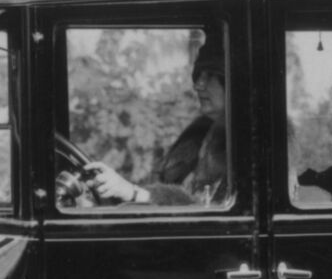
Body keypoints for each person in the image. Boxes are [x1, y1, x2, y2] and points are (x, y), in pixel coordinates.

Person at [86, 39, 228, 206]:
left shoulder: (250, 149)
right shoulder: (198, 133)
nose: (198, 85)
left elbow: (210, 217)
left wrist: (134, 193)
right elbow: (159, 186)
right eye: (198, 75)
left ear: (231, 80)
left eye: (210, 76)